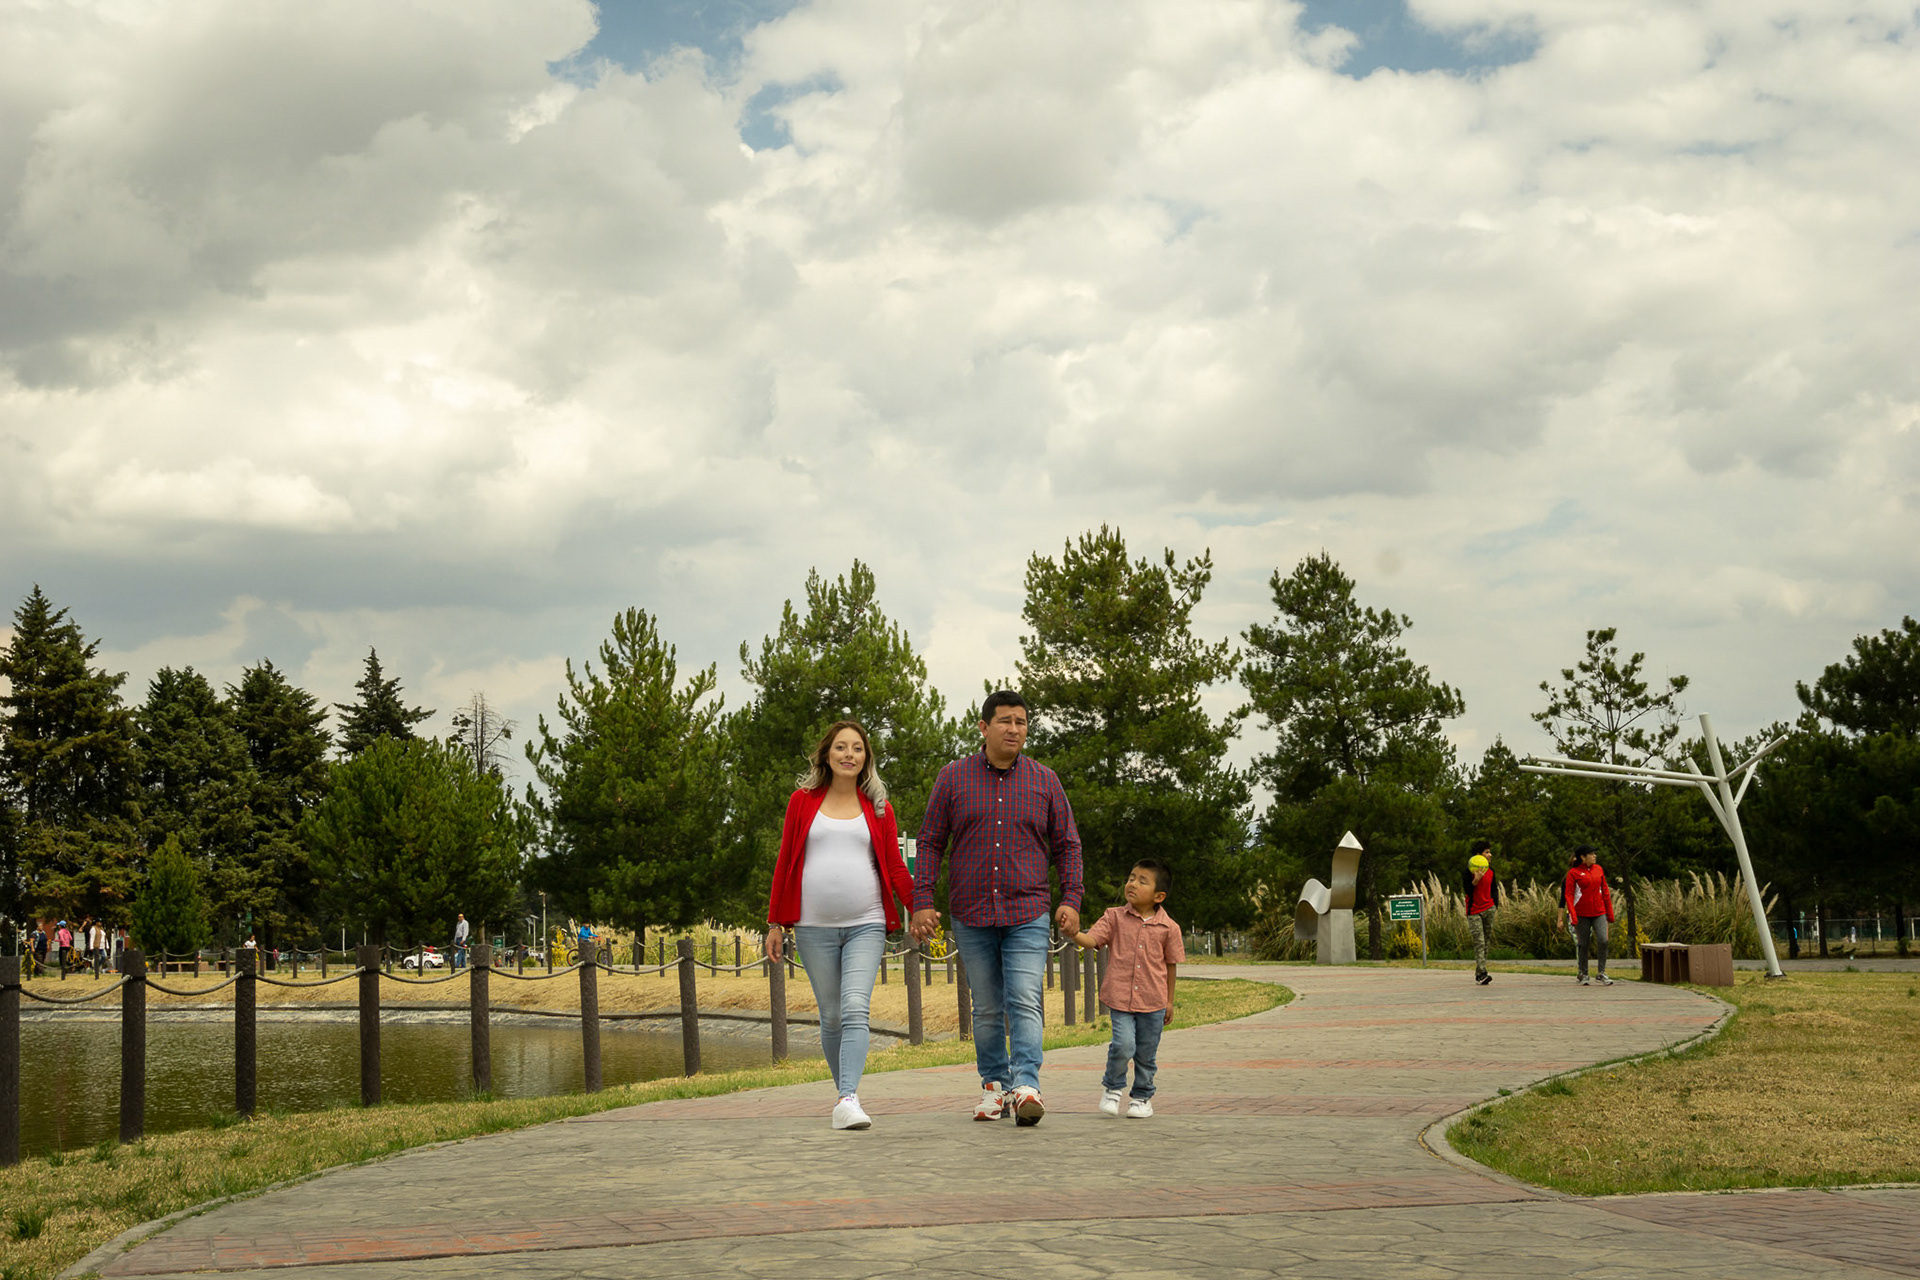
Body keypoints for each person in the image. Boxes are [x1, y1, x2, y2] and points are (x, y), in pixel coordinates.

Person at [910, 690, 1083, 1126]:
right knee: (986, 1007)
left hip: (1028, 910)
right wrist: (922, 901)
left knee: (1024, 998)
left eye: (1021, 722)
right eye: (1005, 721)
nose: (1014, 729)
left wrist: (1072, 898)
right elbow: (930, 842)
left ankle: (1027, 1085)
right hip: (971, 914)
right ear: (984, 727)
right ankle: (993, 1087)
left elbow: (1068, 845)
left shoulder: (1045, 780)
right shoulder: (952, 778)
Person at [766, 719, 915, 1130]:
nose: (849, 754)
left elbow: (895, 867)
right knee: (831, 1015)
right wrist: (776, 921)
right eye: (841, 748)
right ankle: (845, 1097)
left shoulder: (879, 807)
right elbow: (786, 861)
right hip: (812, 926)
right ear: (827, 755)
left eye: (858, 748)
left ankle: (848, 1097)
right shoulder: (802, 801)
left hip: (866, 922)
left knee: (854, 1008)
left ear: (866, 758)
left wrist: (919, 906)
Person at [1065, 859, 1183, 1119]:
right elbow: (1092, 940)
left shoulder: (1169, 927)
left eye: (1142, 881)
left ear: (1158, 896)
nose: (1132, 884)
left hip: (1154, 1001)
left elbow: (1171, 966)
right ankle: (1113, 1088)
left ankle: (1142, 1097)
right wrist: (1074, 933)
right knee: (1122, 1045)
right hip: (1120, 998)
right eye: (1131, 877)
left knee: (1146, 1054)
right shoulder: (1114, 916)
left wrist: (1169, 1001)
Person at [1563, 844, 1616, 986]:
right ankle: (1583, 973)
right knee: (1583, 944)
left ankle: (1601, 972)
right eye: (1591, 854)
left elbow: (1605, 892)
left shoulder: (1599, 870)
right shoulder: (1573, 873)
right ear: (1582, 857)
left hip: (1599, 912)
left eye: (1594, 854)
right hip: (1581, 914)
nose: (1594, 856)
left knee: (1603, 940)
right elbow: (1568, 896)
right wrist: (1573, 916)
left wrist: (1610, 913)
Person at [1463, 841, 1499, 986]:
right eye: (1487, 852)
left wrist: (1495, 905)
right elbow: (1467, 890)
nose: (1490, 855)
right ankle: (1483, 973)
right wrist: (1475, 881)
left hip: (1489, 908)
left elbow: (1494, 889)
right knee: (1479, 942)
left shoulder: (1491, 871)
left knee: (1486, 942)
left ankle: (1479, 974)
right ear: (1478, 855)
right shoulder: (1468, 872)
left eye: (1490, 852)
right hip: (1474, 911)